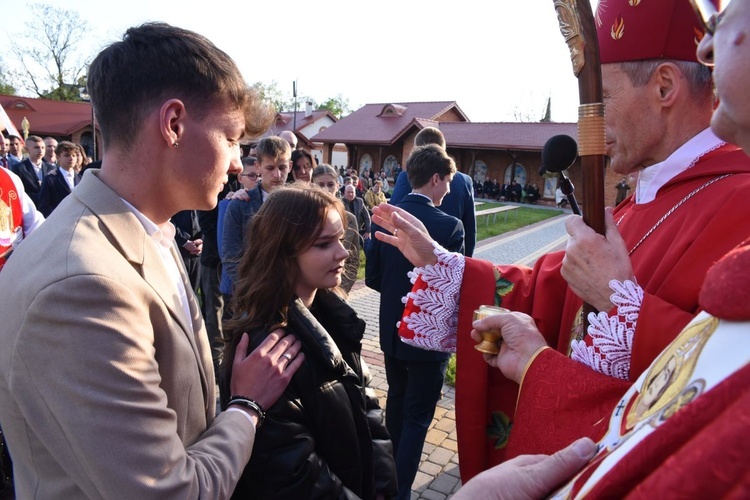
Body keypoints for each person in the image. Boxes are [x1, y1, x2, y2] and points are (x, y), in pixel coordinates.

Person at [372, 0, 750, 481]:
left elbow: (722, 386)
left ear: (665, 87)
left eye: (603, 100)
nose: (588, 126)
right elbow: (555, 293)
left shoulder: (740, 204)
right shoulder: (649, 193)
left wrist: (620, 303)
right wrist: (448, 266)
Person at [0, 23, 304, 498]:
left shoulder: (147, 230)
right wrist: (246, 406)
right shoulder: (82, 285)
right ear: (174, 124)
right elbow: (173, 491)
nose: (237, 164)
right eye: (230, 139)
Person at [220, 184, 397, 498]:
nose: (343, 252)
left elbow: (369, 414)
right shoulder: (268, 348)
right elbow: (293, 474)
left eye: (340, 239)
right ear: (283, 252)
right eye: (324, 244)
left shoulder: (336, 316)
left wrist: (383, 488)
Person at [366, 144, 464, 498]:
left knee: (396, 404)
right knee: (418, 416)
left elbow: (372, 278)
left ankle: (383, 478)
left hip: (392, 330)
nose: (450, 189)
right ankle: (399, 490)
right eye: (449, 181)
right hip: (429, 336)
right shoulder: (450, 226)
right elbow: (456, 287)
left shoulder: (388, 216)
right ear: (436, 179)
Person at [221, 136, 290, 305]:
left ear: (290, 166)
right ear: (258, 167)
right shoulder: (240, 205)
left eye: (282, 167)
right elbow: (231, 256)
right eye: (270, 168)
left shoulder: (300, 204)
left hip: (290, 294)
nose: (277, 175)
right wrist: (252, 289)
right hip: (250, 296)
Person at [390, 126, 477, 256]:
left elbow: (394, 215)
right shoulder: (465, 181)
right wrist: (466, 262)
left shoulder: (406, 175)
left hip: (410, 253)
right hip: (449, 252)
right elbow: (469, 232)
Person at [312, 164, 361, 293]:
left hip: (338, 291)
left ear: (337, 186)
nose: (326, 190)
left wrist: (340, 291)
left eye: (330, 184)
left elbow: (353, 260)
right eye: (320, 185)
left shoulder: (350, 219)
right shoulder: (305, 218)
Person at [38, 140, 81, 217]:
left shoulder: (81, 179)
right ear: (58, 157)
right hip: (59, 221)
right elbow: (44, 206)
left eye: (74, 155)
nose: (71, 158)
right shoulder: (50, 179)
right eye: (67, 155)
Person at [11, 135, 54, 207]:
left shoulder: (51, 168)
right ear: (27, 150)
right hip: (29, 207)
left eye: (43, 148)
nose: (40, 151)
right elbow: (18, 192)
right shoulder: (19, 168)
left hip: (48, 209)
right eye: (36, 147)